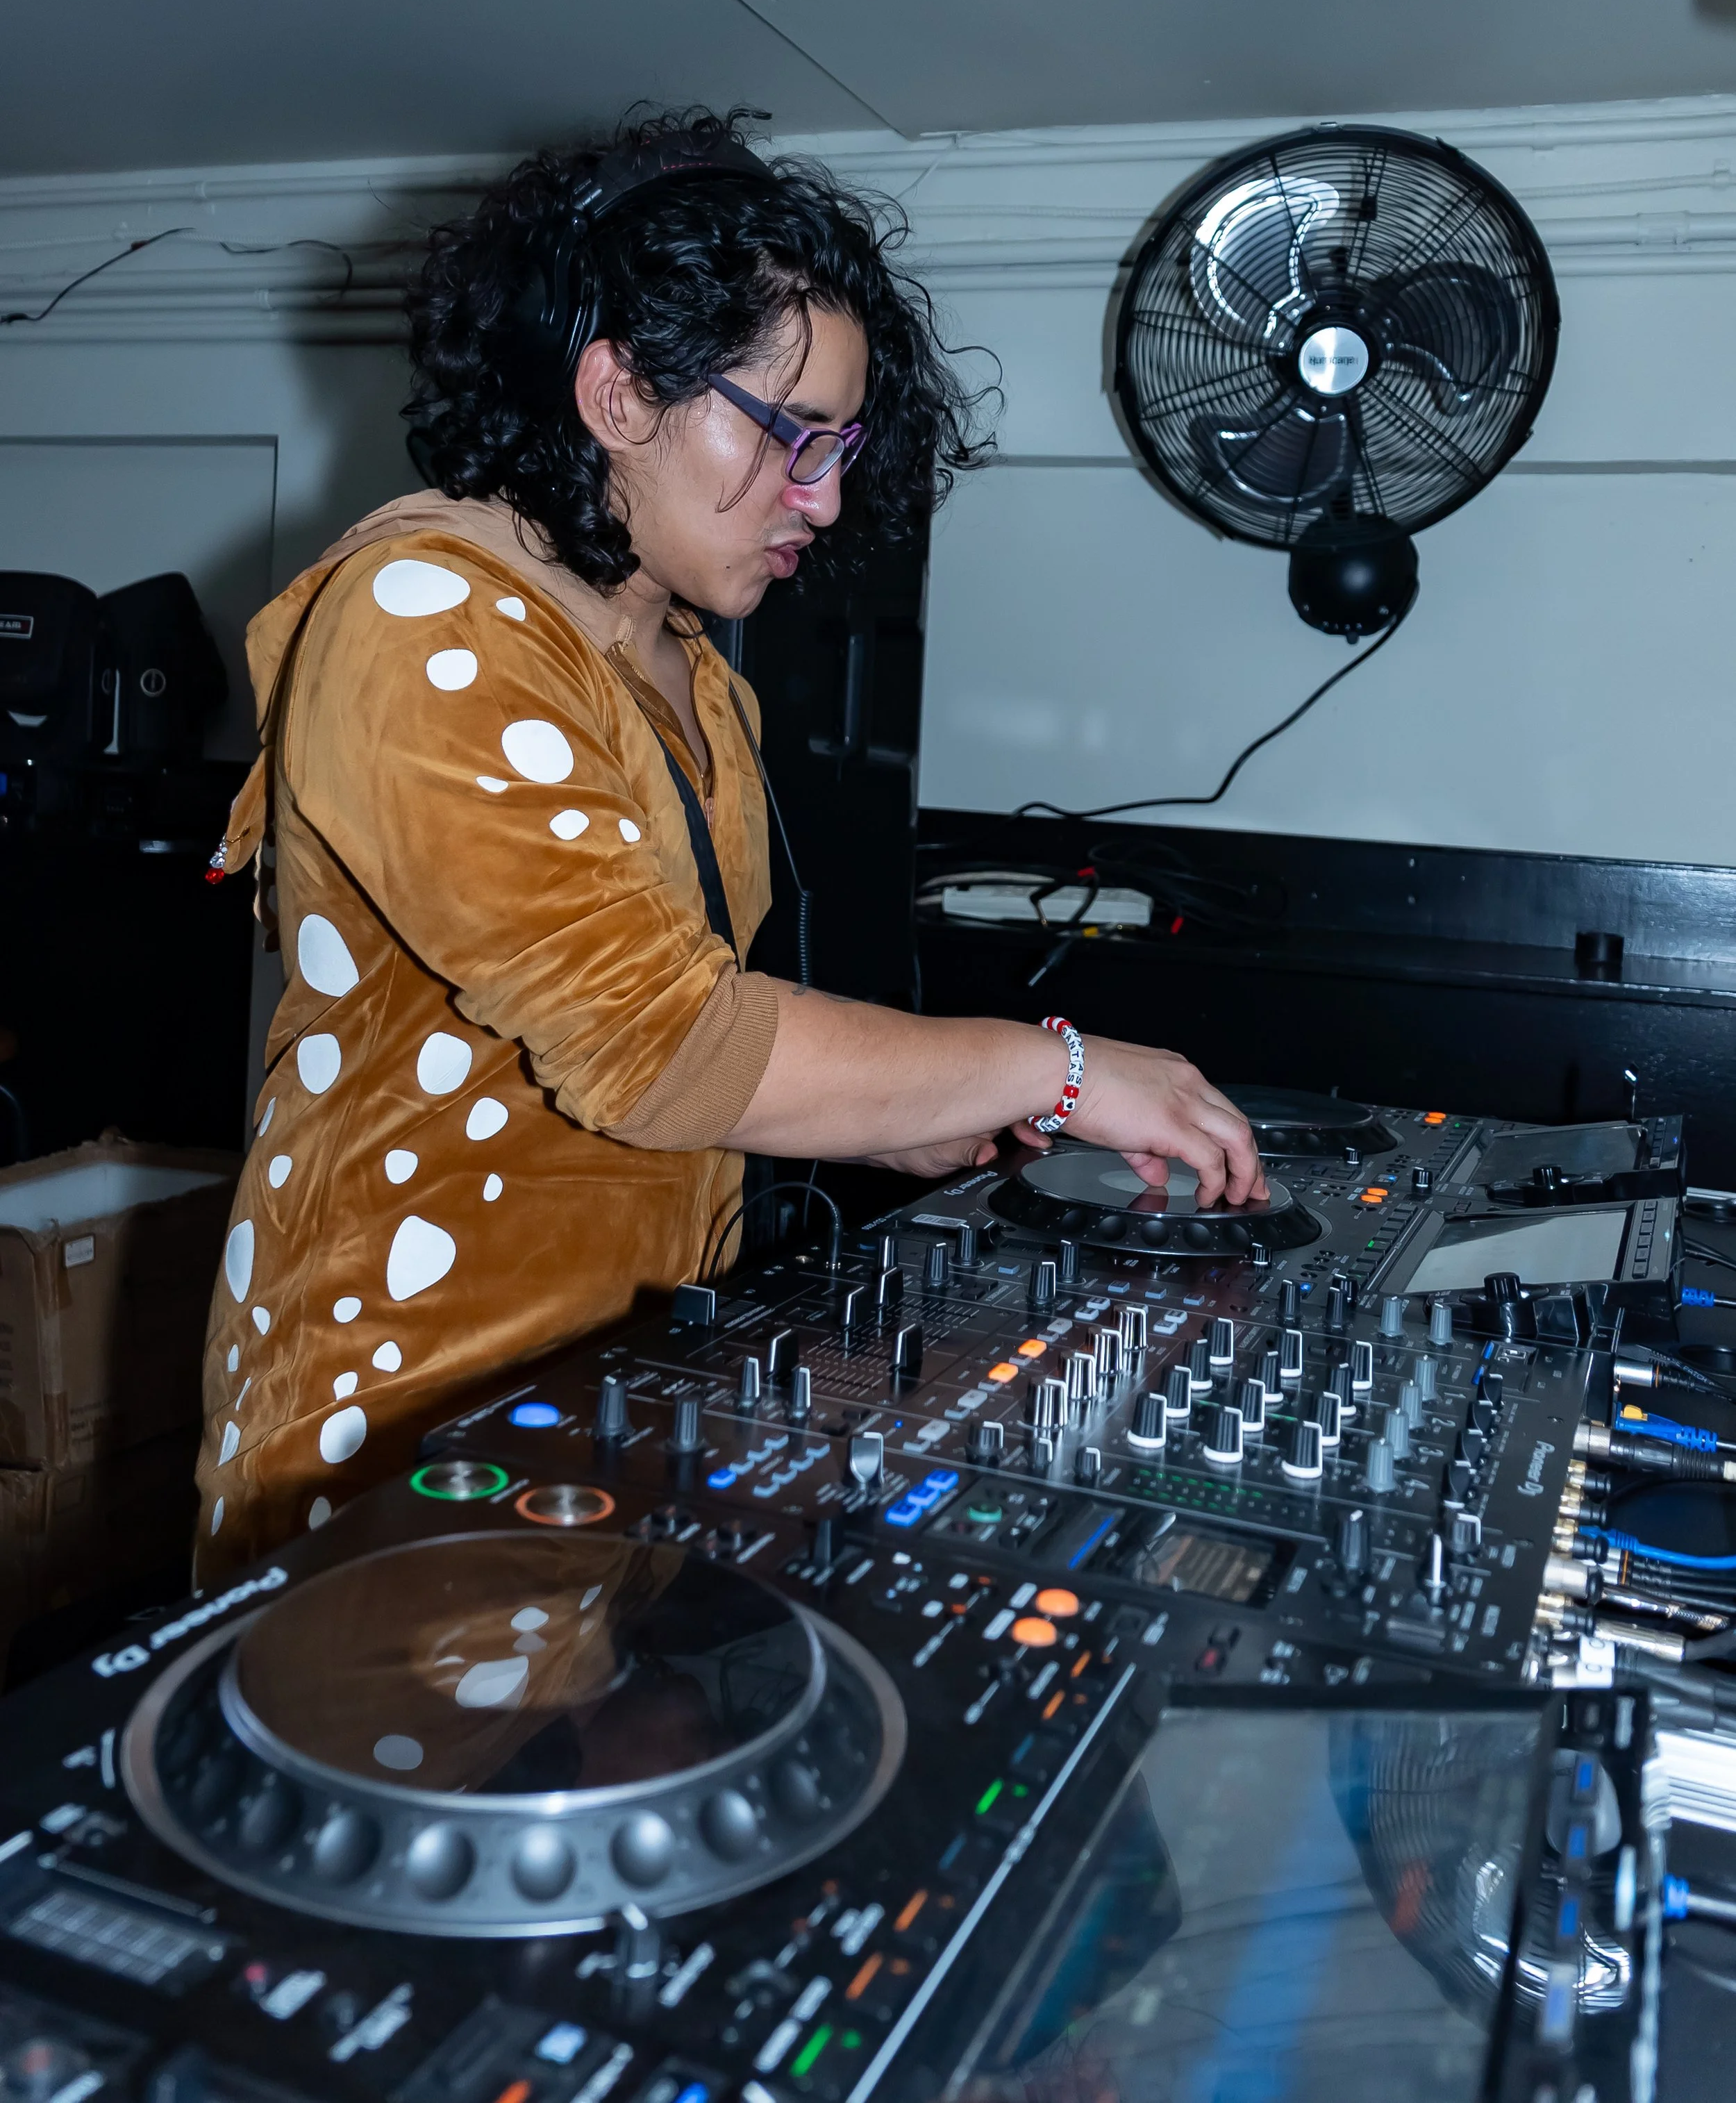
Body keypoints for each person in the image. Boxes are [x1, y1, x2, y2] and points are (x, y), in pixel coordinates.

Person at [196, 110, 1265, 1572]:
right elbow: (661, 1047)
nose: (822, 499)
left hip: (600, 1407)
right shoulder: (421, 621)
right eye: (791, 438)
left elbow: (697, 1028)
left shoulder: (686, 666)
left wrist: (901, 1110)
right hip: (401, 1431)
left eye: (845, 446)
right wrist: (1060, 1071)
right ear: (618, 393)